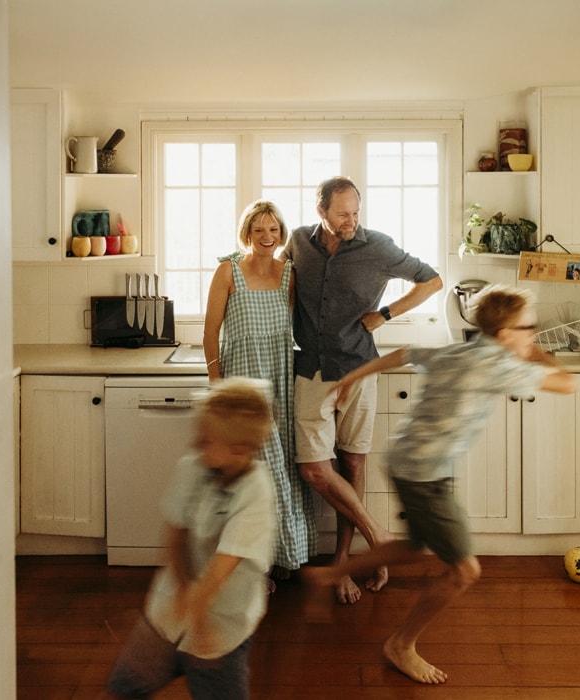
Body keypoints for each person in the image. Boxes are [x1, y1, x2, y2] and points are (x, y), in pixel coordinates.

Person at [305, 284, 576, 684]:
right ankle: (401, 644)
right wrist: (537, 354)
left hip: (406, 461)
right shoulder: (500, 366)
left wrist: (354, 375)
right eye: (529, 327)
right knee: (465, 571)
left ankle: (329, 574)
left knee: (415, 546)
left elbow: (405, 354)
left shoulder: (460, 350)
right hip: (425, 475)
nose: (533, 334)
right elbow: (568, 384)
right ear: (505, 336)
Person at [281, 176, 443, 604]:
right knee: (315, 469)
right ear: (321, 213)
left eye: (356, 212)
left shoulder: (379, 246)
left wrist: (385, 313)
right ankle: (378, 537)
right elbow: (279, 281)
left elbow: (431, 281)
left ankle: (343, 565)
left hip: (359, 366)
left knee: (352, 465)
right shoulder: (298, 242)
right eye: (342, 214)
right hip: (311, 368)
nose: (352, 221)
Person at [106, 377, 277, 700]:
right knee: (122, 691)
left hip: (222, 632)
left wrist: (200, 623)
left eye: (206, 439)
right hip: (166, 616)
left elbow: (221, 569)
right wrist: (184, 600)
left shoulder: (257, 494)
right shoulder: (192, 468)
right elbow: (176, 537)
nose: (195, 444)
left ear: (239, 449)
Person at [203, 199, 316, 583]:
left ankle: (283, 556)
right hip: (243, 386)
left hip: (280, 382)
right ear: (247, 234)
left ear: (281, 234)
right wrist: (216, 383)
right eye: (259, 230)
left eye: (273, 230)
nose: (267, 237)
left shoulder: (289, 274)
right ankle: (254, 567)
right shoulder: (227, 271)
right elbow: (209, 333)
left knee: (282, 468)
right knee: (253, 473)